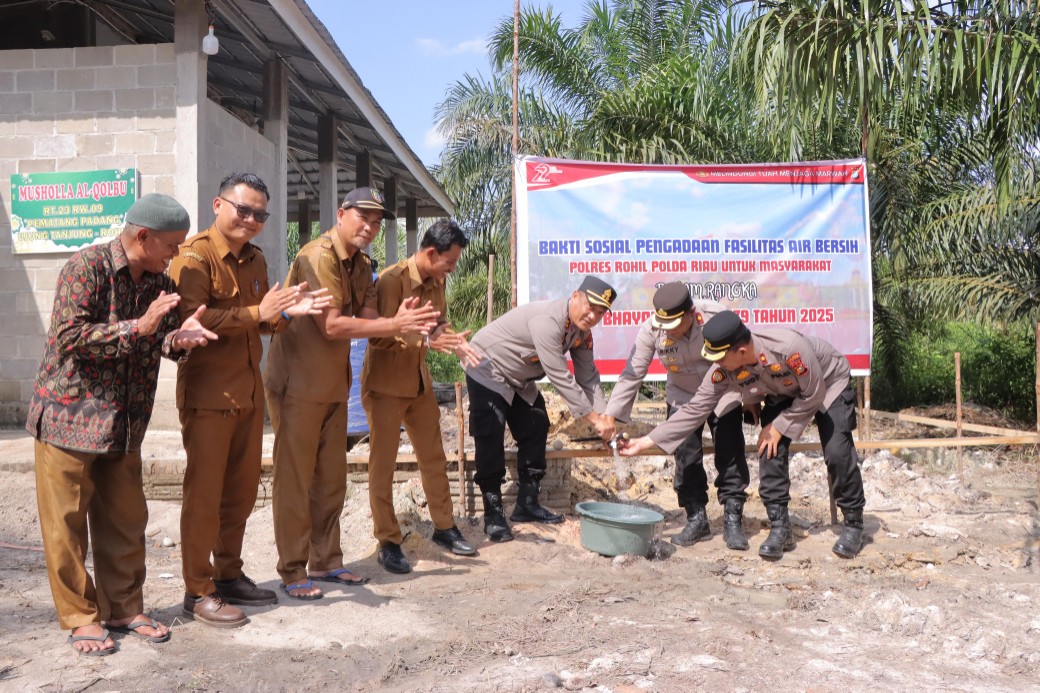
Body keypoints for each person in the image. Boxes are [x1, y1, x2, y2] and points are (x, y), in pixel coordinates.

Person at [27, 194, 218, 655]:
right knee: (67, 527)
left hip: (125, 424)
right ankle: (80, 617)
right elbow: (69, 338)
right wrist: (140, 326)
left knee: (126, 521)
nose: (176, 254)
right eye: (171, 245)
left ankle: (124, 607)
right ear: (143, 236)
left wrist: (180, 337)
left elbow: (163, 338)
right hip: (68, 422)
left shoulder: (159, 280)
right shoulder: (85, 268)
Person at [168, 173, 331, 626]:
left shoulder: (255, 259)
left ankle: (228, 574)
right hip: (207, 393)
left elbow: (259, 320)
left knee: (238, 494)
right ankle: (196, 590)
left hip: (247, 392)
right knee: (204, 496)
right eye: (243, 210)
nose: (251, 220)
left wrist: (280, 318)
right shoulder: (194, 257)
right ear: (218, 205)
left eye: (260, 214)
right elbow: (195, 316)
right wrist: (259, 314)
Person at [264, 187, 440, 596]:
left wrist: (399, 324)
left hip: (332, 385)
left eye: (377, 222)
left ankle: (326, 562)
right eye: (363, 217)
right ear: (341, 213)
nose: (370, 227)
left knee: (330, 480)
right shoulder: (317, 256)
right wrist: (394, 325)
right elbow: (334, 327)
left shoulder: (361, 265)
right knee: (295, 480)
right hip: (297, 384)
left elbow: (368, 318)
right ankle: (292, 571)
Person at [621, 310, 866, 560]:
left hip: (827, 382)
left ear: (739, 352)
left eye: (719, 358)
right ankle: (781, 527)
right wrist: (646, 441)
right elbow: (693, 410)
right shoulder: (726, 369)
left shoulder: (788, 349)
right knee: (768, 449)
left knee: (837, 450)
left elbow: (814, 393)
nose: (715, 365)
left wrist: (780, 425)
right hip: (783, 392)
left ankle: (854, 523)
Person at [361, 219, 483, 574]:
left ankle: (444, 527)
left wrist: (451, 338)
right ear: (431, 253)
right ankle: (388, 539)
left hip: (418, 383)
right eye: (451, 261)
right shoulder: (391, 280)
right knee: (382, 466)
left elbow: (437, 322)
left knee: (434, 457)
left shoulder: (437, 279)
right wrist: (427, 340)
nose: (453, 268)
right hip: (384, 385)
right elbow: (377, 336)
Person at [464, 276, 618, 542]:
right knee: (490, 432)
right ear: (575, 296)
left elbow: (588, 377)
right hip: (488, 365)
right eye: (590, 306)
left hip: (519, 377)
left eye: (600, 312)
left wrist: (605, 417)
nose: (593, 315)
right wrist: (593, 419)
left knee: (536, 423)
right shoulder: (550, 322)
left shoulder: (582, 333)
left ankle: (527, 502)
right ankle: (493, 513)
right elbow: (560, 375)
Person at [604, 282, 750, 549]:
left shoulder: (714, 318)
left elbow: (745, 357)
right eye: (663, 323)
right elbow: (633, 373)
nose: (666, 329)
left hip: (723, 391)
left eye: (673, 323)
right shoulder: (651, 328)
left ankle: (732, 517)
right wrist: (611, 416)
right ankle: (696, 516)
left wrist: (751, 398)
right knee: (685, 456)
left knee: (730, 451)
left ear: (691, 313)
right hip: (682, 395)